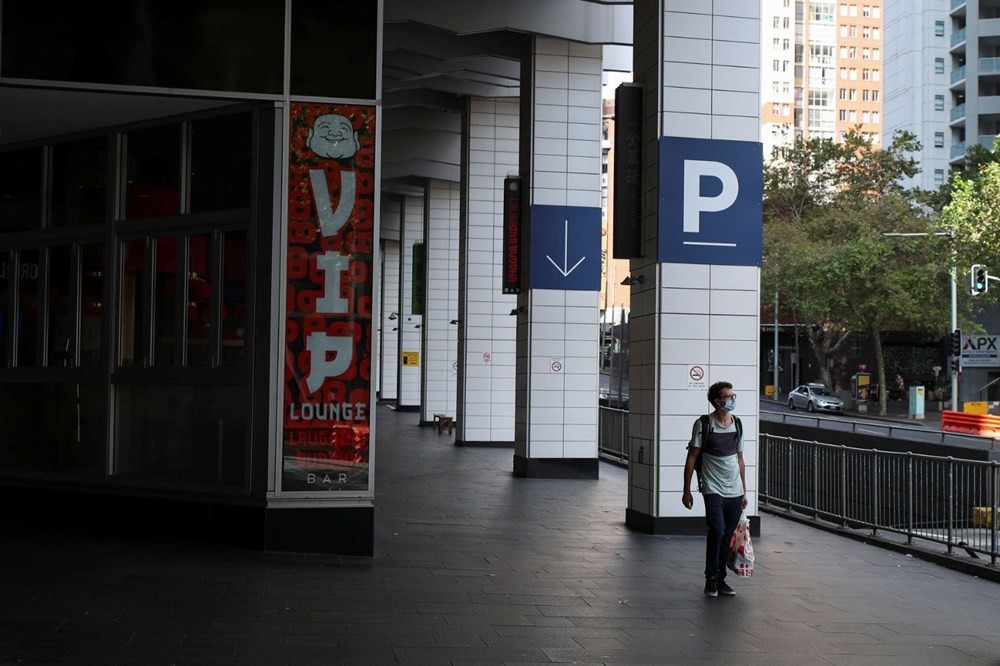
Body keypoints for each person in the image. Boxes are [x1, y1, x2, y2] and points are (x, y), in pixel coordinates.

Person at [682, 381, 748, 598]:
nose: (732, 400)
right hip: (712, 488)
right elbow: (692, 458)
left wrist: (745, 491)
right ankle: (711, 578)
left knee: (727, 535)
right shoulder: (703, 424)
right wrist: (687, 490)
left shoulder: (737, 424)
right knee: (717, 530)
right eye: (728, 397)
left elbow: (740, 460)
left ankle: (721, 579)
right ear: (717, 401)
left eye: (733, 395)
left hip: (734, 490)